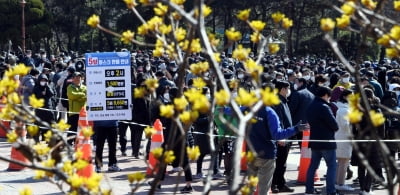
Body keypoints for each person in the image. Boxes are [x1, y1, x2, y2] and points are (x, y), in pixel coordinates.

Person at [248, 91, 308, 195]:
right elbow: (277, 135)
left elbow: (230, 111)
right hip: (266, 154)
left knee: (250, 186)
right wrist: (296, 129)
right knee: (263, 186)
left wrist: (219, 109)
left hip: (251, 152)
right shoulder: (269, 112)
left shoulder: (247, 110)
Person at [305, 86, 339, 195]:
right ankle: (331, 191)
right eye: (328, 96)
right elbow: (334, 125)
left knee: (313, 166)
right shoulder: (324, 106)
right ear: (325, 95)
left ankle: (309, 190)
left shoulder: (310, 106)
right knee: (332, 166)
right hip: (327, 141)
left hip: (314, 140)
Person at [271, 81, 295, 193]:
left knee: (282, 163)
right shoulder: (277, 102)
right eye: (287, 88)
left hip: (286, 136)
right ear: (282, 89)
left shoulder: (284, 101)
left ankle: (281, 183)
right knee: (279, 162)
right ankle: (274, 184)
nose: (289, 91)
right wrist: (281, 137)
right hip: (282, 137)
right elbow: (279, 121)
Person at [334, 89, 354, 191]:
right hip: (344, 137)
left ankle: (337, 182)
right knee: (343, 162)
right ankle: (340, 184)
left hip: (341, 137)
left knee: (341, 162)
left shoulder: (342, 108)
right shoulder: (345, 110)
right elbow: (346, 125)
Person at [32, 74, 56, 142]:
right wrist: (43, 94)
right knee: (38, 125)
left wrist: (47, 86)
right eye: (42, 80)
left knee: (51, 124)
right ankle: (36, 140)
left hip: (48, 109)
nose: (43, 82)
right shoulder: (36, 88)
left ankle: (50, 139)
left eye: (44, 80)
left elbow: (51, 94)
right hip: (39, 110)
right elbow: (37, 95)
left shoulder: (48, 87)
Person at [66, 72, 87, 145]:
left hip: (83, 112)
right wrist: (82, 95)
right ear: (73, 79)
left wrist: (79, 97)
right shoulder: (69, 87)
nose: (78, 78)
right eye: (76, 77)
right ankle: (68, 144)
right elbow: (72, 96)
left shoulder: (84, 87)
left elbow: (86, 98)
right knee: (72, 129)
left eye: (79, 77)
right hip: (73, 112)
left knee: (81, 130)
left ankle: (78, 144)